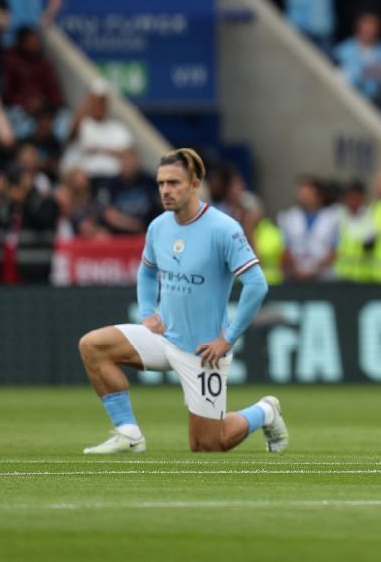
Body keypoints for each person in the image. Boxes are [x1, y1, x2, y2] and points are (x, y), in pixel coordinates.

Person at [76, 149, 287, 455]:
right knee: (92, 346)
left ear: (194, 184)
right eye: (161, 183)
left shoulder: (223, 229)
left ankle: (265, 411)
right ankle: (129, 433)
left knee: (208, 444)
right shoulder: (158, 226)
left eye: (174, 183)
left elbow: (257, 285)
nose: (165, 190)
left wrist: (227, 339)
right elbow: (147, 272)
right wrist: (148, 313)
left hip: (203, 351)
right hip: (163, 337)